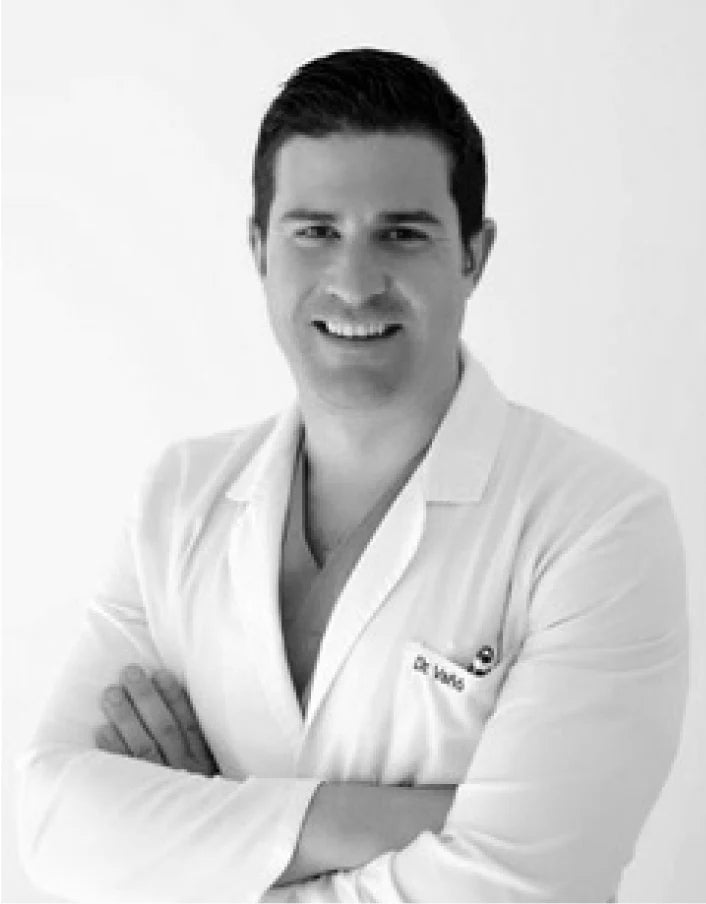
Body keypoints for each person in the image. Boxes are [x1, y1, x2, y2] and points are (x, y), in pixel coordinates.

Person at [16, 48, 689, 903]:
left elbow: (520, 888)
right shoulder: (178, 497)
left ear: (474, 255)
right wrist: (412, 821)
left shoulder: (599, 524)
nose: (355, 282)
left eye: (401, 234)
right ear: (260, 248)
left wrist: (196, 841)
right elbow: (55, 825)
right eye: (316, 232)